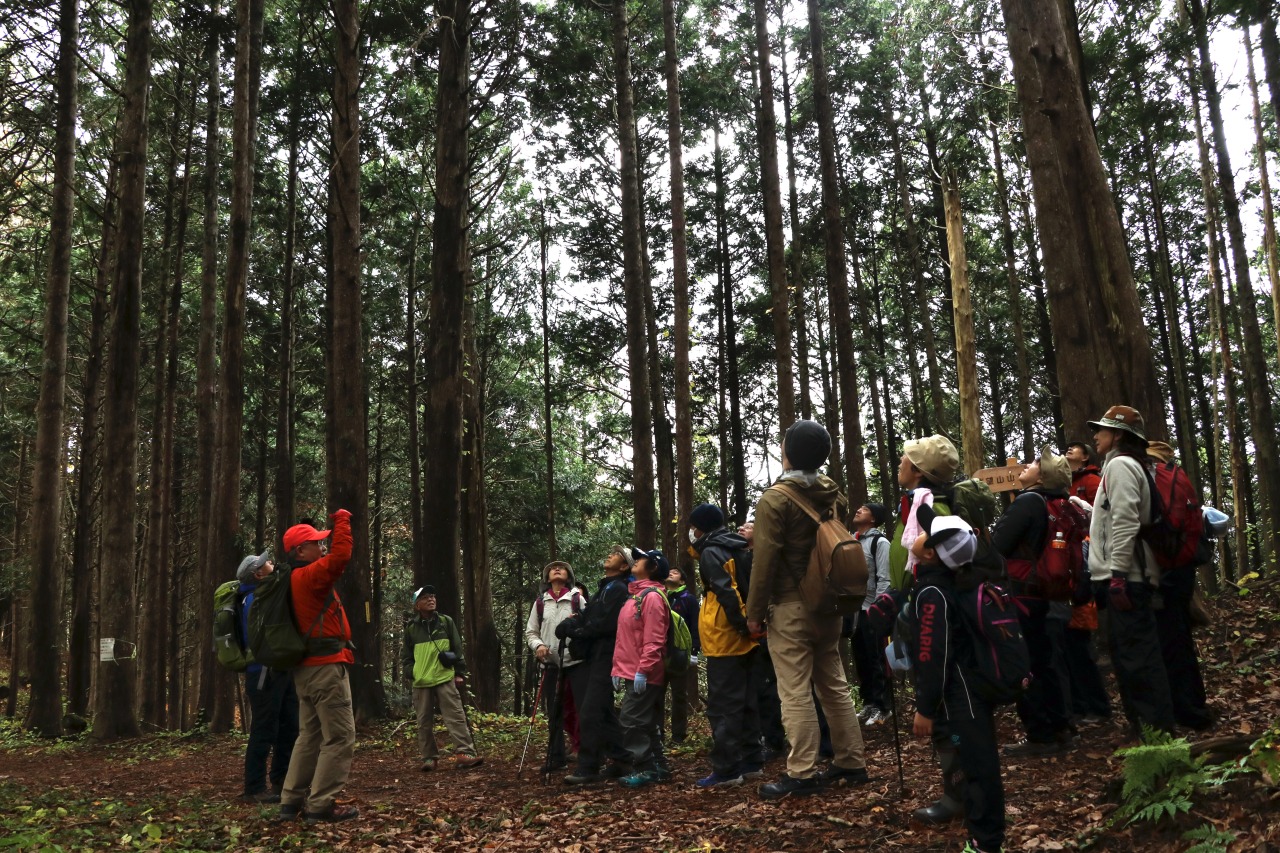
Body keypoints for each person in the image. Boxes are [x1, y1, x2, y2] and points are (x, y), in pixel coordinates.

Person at [745, 419, 869, 799]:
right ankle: (851, 761)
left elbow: (764, 560)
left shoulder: (775, 499)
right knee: (833, 684)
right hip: (828, 604)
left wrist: (754, 612)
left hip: (789, 606)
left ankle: (800, 772)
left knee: (795, 690)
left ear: (787, 452)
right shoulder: (835, 495)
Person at [907, 506, 1005, 853]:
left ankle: (986, 843)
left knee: (979, 766)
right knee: (976, 761)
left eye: (926, 534)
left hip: (960, 696)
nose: (917, 535)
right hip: (972, 689)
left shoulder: (933, 591)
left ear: (933, 551)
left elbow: (933, 654)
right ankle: (980, 831)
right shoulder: (962, 577)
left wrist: (926, 707)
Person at [889, 434, 966, 825]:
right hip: (924, 598)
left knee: (948, 714)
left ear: (917, 470)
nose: (899, 464)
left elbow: (939, 560)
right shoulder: (923, 503)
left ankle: (959, 797)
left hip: (934, 602)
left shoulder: (928, 508)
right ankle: (960, 792)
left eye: (905, 459)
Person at [1087, 405, 1176, 738]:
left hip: (1129, 577)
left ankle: (1155, 733)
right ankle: (1144, 727)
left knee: (1138, 657)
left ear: (1119, 436)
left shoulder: (1122, 466)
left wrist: (1119, 574)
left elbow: (1125, 522)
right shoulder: (1122, 466)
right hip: (1126, 574)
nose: (1096, 435)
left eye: (1103, 430)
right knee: (1129, 656)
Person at [991, 446, 1076, 755]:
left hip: (1022, 593)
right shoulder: (1055, 503)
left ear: (1042, 476)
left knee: (1025, 664)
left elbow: (999, 545)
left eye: (1034, 463)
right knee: (1046, 661)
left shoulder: (1028, 501)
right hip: (1042, 593)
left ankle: (1040, 734)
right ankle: (1061, 727)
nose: (1026, 465)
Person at [277, 510, 358, 823]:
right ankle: (321, 805)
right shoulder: (310, 575)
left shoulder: (292, 578)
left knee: (309, 736)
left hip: (305, 670)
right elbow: (342, 556)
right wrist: (342, 520)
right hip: (325, 669)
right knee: (339, 736)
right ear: (300, 551)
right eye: (316, 543)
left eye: (323, 542)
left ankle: (291, 801)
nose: (322, 547)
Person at [688, 503, 762, 787]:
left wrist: (743, 625)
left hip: (725, 636)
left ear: (700, 527)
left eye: (693, 527)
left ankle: (728, 769)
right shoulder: (737, 546)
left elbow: (727, 590)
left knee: (723, 704)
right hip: (745, 634)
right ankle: (752, 760)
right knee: (746, 700)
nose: (690, 533)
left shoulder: (712, 551)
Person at [1146, 441, 1215, 732]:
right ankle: (1193, 706)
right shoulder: (1176, 475)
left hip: (1166, 569)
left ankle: (1186, 711)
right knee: (1180, 638)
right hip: (1181, 568)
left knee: (1170, 641)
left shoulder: (1156, 476)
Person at [555, 545, 635, 785]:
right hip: (595, 655)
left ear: (623, 566)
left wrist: (577, 631)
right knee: (604, 710)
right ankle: (622, 760)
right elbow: (590, 615)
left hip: (607, 655)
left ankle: (589, 767)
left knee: (589, 711)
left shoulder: (619, 589)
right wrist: (572, 623)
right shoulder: (605, 588)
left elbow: (606, 624)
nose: (610, 554)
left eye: (617, 555)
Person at [235, 551, 298, 804]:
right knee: (264, 730)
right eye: (267, 563)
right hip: (263, 673)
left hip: (279, 670)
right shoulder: (253, 599)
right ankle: (254, 788)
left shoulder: (263, 596)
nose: (272, 563)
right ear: (258, 574)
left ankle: (281, 781)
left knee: (289, 726)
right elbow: (259, 638)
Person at [403, 586, 483, 771]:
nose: (431, 599)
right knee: (423, 721)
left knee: (455, 716)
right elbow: (406, 656)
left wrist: (459, 672)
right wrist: (412, 672)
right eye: (425, 597)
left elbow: (457, 648)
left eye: (432, 596)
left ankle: (465, 753)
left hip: (444, 677)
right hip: (422, 681)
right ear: (417, 605)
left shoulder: (446, 622)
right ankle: (429, 758)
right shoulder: (412, 628)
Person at [612, 548, 673, 787]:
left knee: (630, 721)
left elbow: (654, 639)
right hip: (630, 670)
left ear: (653, 567)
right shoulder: (633, 597)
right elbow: (624, 638)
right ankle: (658, 766)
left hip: (645, 673)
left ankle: (645, 767)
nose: (636, 560)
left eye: (641, 559)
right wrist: (617, 669)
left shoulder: (653, 597)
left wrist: (643, 671)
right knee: (644, 722)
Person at [525, 561, 587, 771]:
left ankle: (586, 756)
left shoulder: (578, 599)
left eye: (562, 568)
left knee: (581, 709)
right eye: (552, 568)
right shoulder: (541, 603)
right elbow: (531, 632)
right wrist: (539, 645)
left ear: (568, 575)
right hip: (550, 665)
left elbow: (587, 627)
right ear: (547, 577)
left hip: (576, 663)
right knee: (554, 711)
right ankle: (556, 757)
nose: (557, 569)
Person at [850, 503, 892, 726]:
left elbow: (884, 578)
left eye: (864, 509)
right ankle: (869, 703)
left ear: (873, 519)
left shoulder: (880, 542)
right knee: (862, 658)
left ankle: (882, 707)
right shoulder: (851, 540)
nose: (858, 510)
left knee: (876, 658)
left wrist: (878, 609)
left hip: (872, 610)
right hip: (854, 610)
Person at [660, 563, 701, 744]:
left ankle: (678, 735)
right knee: (657, 695)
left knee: (679, 695)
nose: (671, 573)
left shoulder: (688, 599)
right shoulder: (659, 597)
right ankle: (658, 734)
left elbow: (695, 626)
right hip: (659, 654)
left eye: (675, 572)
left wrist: (694, 652)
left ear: (682, 580)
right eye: (669, 572)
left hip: (679, 655)